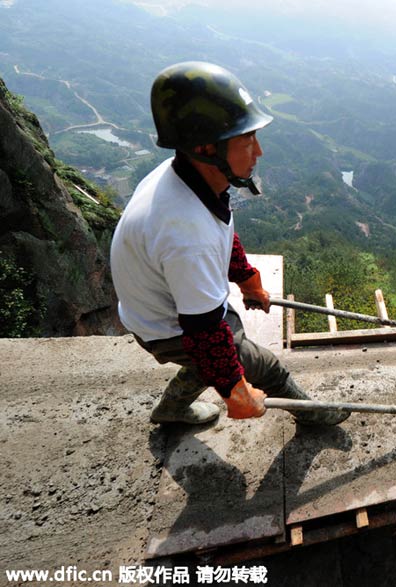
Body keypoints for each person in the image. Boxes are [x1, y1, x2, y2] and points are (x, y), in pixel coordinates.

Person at [111, 61, 347, 426]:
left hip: (163, 309)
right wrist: (237, 392)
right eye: (247, 139)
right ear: (207, 147)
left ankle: (171, 409)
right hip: (168, 328)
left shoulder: (185, 177)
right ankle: (315, 416)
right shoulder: (187, 235)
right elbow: (205, 334)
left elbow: (220, 230)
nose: (259, 151)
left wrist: (246, 278)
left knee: (222, 348)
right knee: (262, 366)